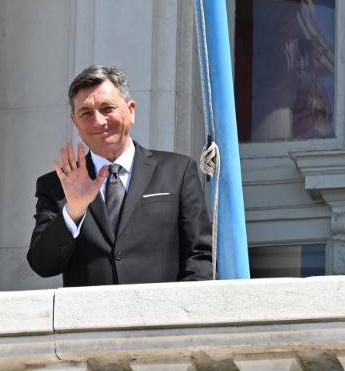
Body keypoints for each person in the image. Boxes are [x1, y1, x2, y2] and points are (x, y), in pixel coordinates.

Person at [27, 65, 212, 286]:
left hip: (161, 307)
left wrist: (180, 306)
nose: (98, 121)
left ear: (131, 110)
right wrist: (73, 212)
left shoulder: (177, 171)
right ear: (75, 122)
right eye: (86, 113)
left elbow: (200, 256)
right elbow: (42, 264)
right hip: (91, 309)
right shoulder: (57, 185)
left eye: (107, 108)